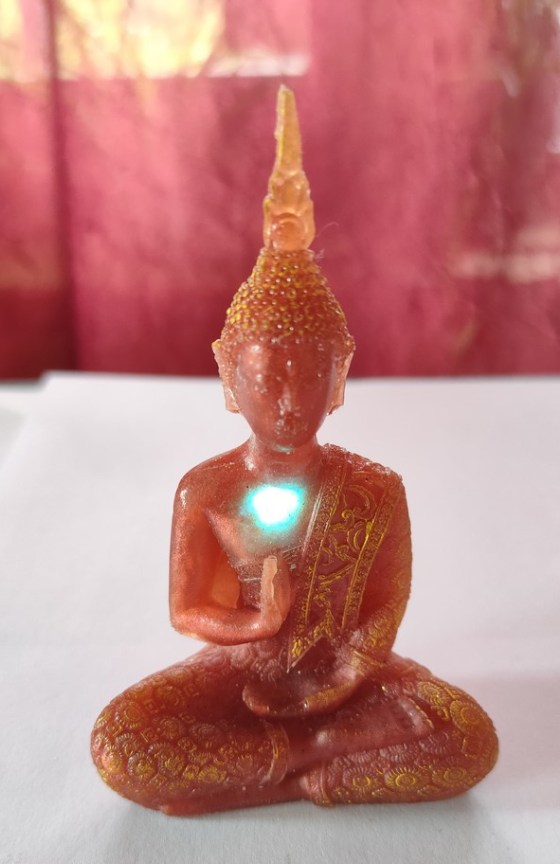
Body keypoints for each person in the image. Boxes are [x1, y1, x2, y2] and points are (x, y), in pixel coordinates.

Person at [91, 88, 497, 815]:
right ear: (227, 375)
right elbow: (189, 608)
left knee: (467, 734)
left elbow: (384, 603)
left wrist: (348, 670)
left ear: (340, 375)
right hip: (239, 669)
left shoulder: (375, 488)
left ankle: (280, 763)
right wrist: (256, 624)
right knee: (123, 740)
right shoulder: (204, 489)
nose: (287, 400)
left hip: (346, 679)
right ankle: (316, 761)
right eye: (266, 378)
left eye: (308, 376)